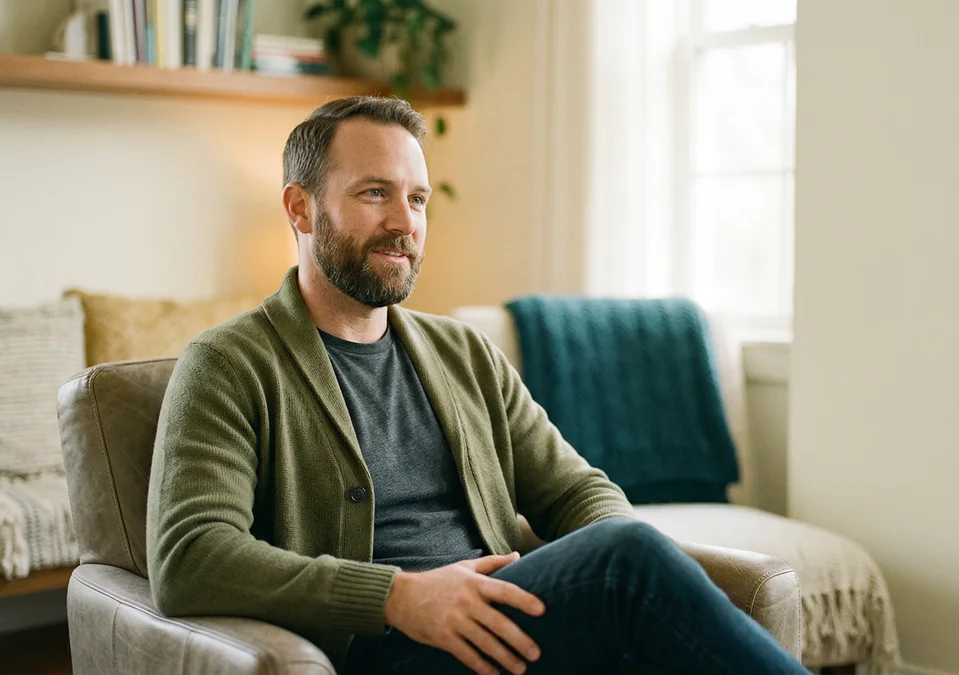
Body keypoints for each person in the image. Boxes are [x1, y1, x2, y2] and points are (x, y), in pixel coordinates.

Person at [146, 96, 810, 675]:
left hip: (504, 629)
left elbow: (576, 488)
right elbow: (191, 555)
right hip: (386, 648)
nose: (404, 223)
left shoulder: (463, 351)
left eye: (417, 198)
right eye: (374, 193)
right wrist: (397, 596)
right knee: (628, 557)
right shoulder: (228, 363)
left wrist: (612, 588)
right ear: (301, 207)